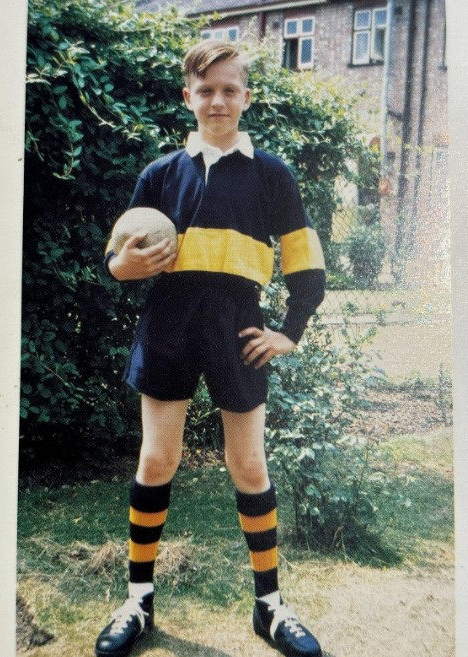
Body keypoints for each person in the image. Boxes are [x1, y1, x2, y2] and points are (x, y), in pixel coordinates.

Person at [95, 39, 326, 657]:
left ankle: (271, 608)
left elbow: (305, 258)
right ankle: (138, 601)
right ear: (187, 97)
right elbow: (117, 260)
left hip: (238, 333)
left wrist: (290, 329)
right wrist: (125, 266)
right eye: (206, 90)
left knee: (249, 466)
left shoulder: (271, 172)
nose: (218, 100)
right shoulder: (161, 173)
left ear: (246, 97)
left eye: (230, 89)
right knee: (156, 462)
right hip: (168, 327)